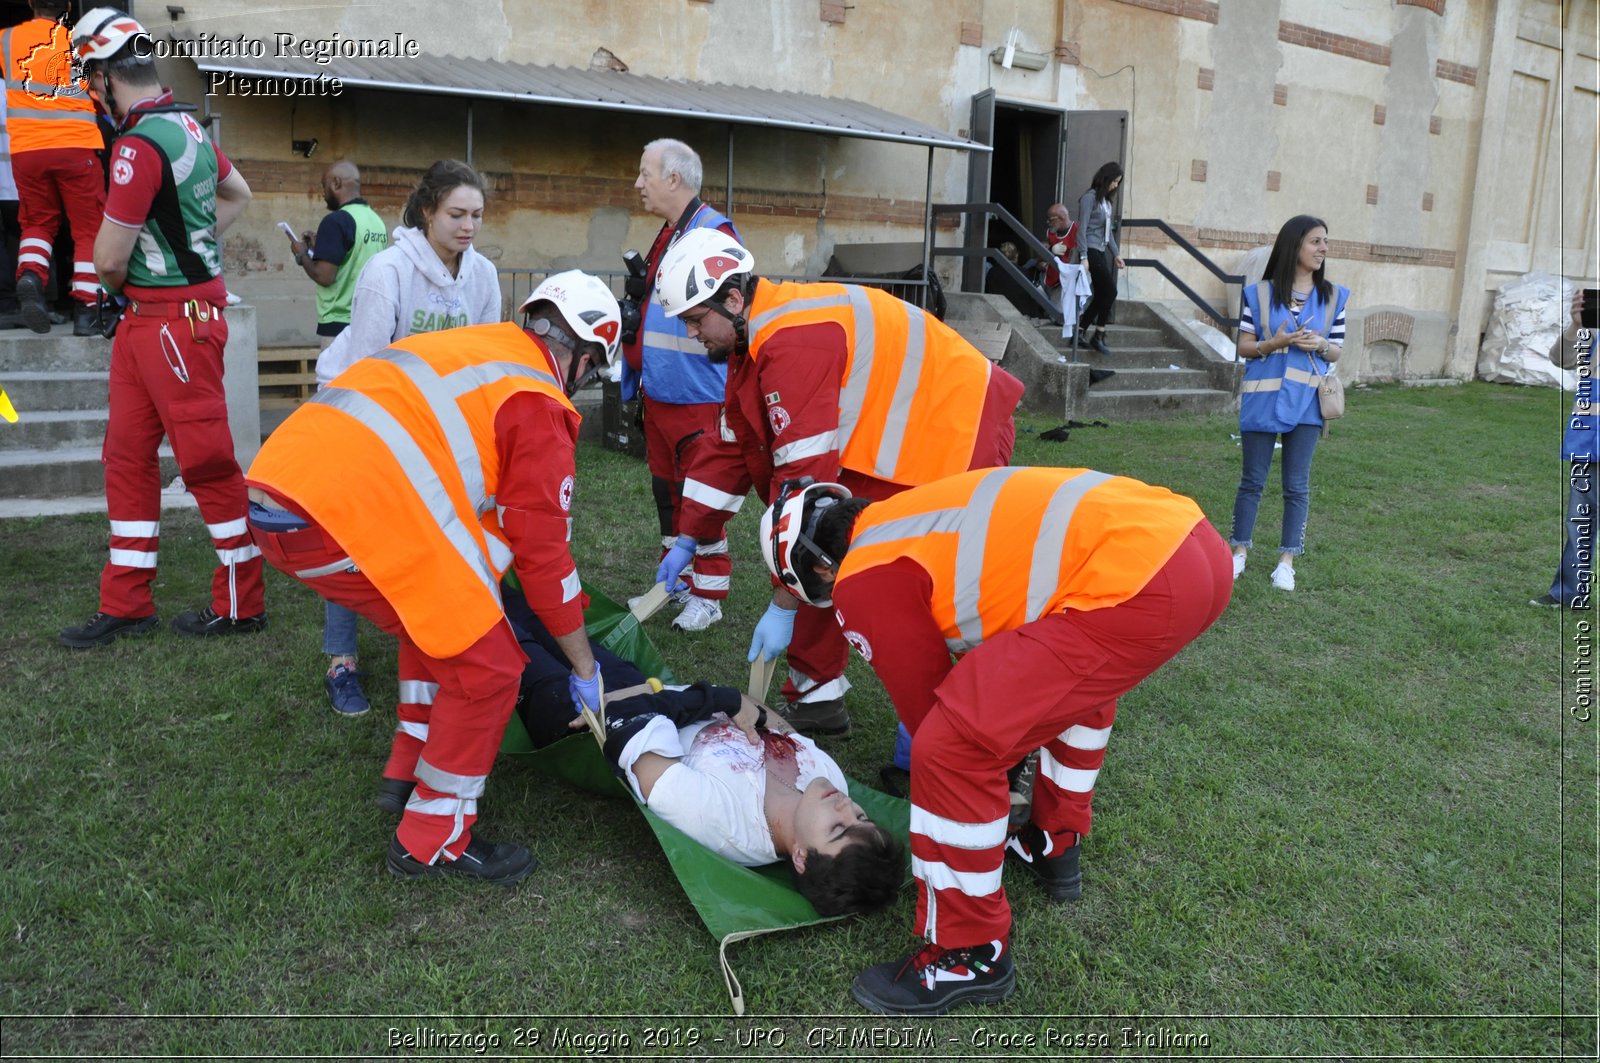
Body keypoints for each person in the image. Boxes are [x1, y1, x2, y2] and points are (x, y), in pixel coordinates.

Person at [758, 467, 1232, 1015]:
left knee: (949, 747)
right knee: (1076, 689)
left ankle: (969, 951)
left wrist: (985, 770)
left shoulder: (861, 574)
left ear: (819, 567)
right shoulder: (904, 514)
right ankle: (1053, 843)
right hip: (1189, 542)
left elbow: (929, 707)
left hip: (1142, 579)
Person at [245, 271, 622, 885]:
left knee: (443, 621)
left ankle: (408, 767)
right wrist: (585, 668)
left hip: (276, 496)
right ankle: (434, 836)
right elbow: (543, 557)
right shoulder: (536, 399)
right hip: (340, 516)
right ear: (583, 354)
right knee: (491, 667)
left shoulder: (479, 349)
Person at [652, 228, 1024, 753]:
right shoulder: (751, 337)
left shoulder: (790, 341)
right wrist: (690, 537)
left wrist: (783, 601)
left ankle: (953, 720)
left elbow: (804, 492)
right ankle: (817, 694)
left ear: (733, 299)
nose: (692, 334)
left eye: (695, 320)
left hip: (955, 431)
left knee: (917, 575)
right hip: (903, 433)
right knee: (826, 549)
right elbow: (732, 447)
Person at [484, 584, 902, 914]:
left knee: (495, 624)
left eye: (838, 828)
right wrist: (723, 701)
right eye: (860, 815)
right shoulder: (825, 778)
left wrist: (723, 700)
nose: (846, 807)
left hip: (576, 719)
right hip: (637, 689)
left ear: (798, 857)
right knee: (539, 608)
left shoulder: (721, 822)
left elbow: (627, 728)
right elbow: (767, 717)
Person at [59, 9, 265, 649]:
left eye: (88, 82)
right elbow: (239, 195)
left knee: (203, 465)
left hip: (169, 328)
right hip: (163, 324)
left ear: (100, 77)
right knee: (126, 457)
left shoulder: (136, 144)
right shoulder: (190, 129)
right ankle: (126, 601)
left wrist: (155, 269)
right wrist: (186, 256)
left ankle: (241, 603)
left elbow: (109, 260)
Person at [280, 160, 389, 715]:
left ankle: (352, 654)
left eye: (326, 180)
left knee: (351, 516)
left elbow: (325, 276)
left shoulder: (337, 223)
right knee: (347, 513)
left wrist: (302, 255)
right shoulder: (375, 223)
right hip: (360, 356)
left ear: (337, 186)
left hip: (344, 340)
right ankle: (341, 658)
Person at [621, 138, 741, 632]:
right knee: (668, 495)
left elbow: (727, 312)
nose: (638, 183)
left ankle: (709, 594)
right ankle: (676, 582)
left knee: (702, 496)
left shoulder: (714, 231)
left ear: (674, 178)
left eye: (645, 172)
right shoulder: (669, 231)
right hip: (664, 394)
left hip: (701, 394)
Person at [1228, 214, 1350, 592]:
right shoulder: (1259, 294)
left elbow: (1336, 351)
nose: (1323, 249)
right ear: (1294, 244)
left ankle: (1286, 561)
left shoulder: (1334, 296)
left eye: (1325, 242)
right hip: (1262, 401)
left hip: (1308, 404)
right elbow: (1243, 346)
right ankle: (1239, 553)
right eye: (1316, 241)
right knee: (1252, 481)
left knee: (1297, 486)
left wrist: (1321, 345)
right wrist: (1275, 343)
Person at [314, 158, 499, 387]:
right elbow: (368, 370)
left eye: (477, 215)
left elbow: (481, 360)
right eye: (456, 215)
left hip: (436, 394)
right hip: (360, 393)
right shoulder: (387, 271)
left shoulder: (485, 274)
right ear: (428, 211)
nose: (469, 226)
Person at [3, 0, 105, 336]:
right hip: (76, 147)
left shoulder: (5, 39)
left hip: (28, 151)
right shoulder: (82, 43)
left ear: (31, 3)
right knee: (88, 228)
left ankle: (31, 275)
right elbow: (102, 89)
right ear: (68, 5)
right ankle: (88, 310)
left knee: (37, 222)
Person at [1531, 286, 1594, 608]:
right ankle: (1569, 593)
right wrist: (1576, 324)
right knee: (1580, 523)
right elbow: (1561, 359)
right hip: (1589, 445)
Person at [1073, 162, 1126, 356]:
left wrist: (1116, 253)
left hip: (1101, 251)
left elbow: (1108, 233)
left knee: (1104, 294)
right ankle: (1098, 334)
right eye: (1114, 181)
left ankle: (1080, 332)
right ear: (1106, 178)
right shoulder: (1090, 198)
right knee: (1110, 292)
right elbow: (1082, 228)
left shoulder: (1106, 203)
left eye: (1118, 183)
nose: (1115, 186)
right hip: (1091, 251)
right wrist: (1084, 256)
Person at [1037, 202, 1075, 296]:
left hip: (1068, 283)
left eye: (1050, 219)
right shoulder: (1049, 233)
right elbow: (1040, 257)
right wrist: (1050, 251)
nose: (1048, 222)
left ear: (1061, 218)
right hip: (1050, 281)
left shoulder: (1077, 231)